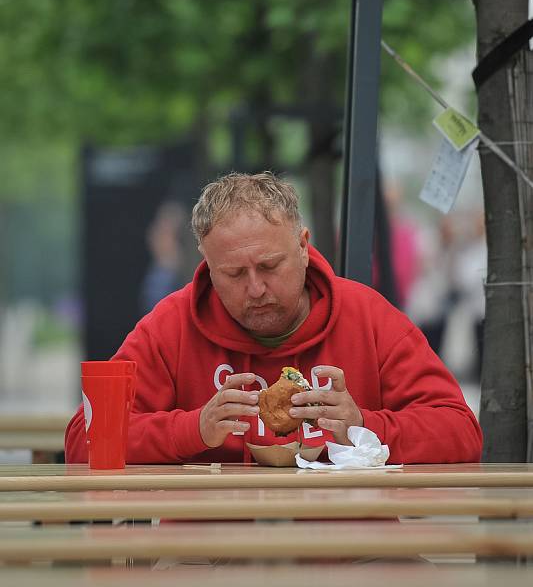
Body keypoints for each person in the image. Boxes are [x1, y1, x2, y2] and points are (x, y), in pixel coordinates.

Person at [65, 171, 482, 465]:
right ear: (207, 266)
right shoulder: (170, 326)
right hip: (207, 555)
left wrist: (362, 425)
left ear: (303, 246)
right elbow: (83, 440)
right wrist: (193, 429)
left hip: (352, 549)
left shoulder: (368, 317)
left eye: (269, 266)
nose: (256, 289)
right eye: (233, 274)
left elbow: (461, 431)